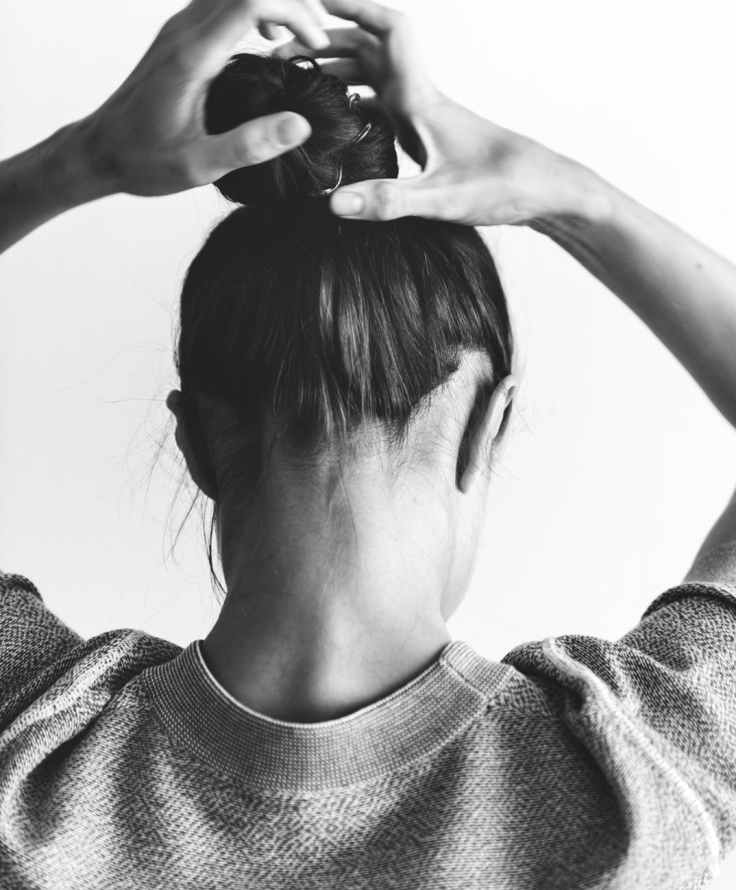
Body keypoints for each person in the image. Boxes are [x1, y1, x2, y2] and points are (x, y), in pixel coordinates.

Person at [1, 0, 735, 887]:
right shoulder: (636, 780)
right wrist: (575, 200)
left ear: (193, 439)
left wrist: (80, 162)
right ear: (486, 429)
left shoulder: (31, 752)